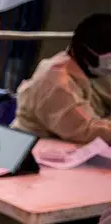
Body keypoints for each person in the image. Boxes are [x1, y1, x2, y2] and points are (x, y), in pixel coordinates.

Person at [12, 13, 111, 144]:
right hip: (36, 150)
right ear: (83, 50)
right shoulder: (56, 82)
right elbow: (84, 130)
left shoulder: (88, 70)